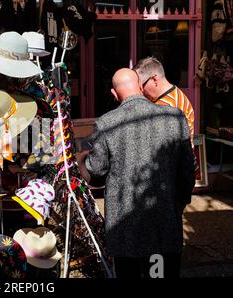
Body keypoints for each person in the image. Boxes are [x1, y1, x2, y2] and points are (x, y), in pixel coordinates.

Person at [78, 68, 195, 278]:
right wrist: (181, 202)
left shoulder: (107, 123)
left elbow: (96, 171)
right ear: (140, 87)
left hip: (126, 228)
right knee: (159, 273)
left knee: (129, 273)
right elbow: (187, 169)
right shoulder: (175, 117)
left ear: (114, 94)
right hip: (164, 222)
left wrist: (81, 160)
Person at [133, 57, 195, 145]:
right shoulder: (176, 93)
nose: (141, 91)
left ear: (154, 80)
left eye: (141, 86)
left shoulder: (166, 107)